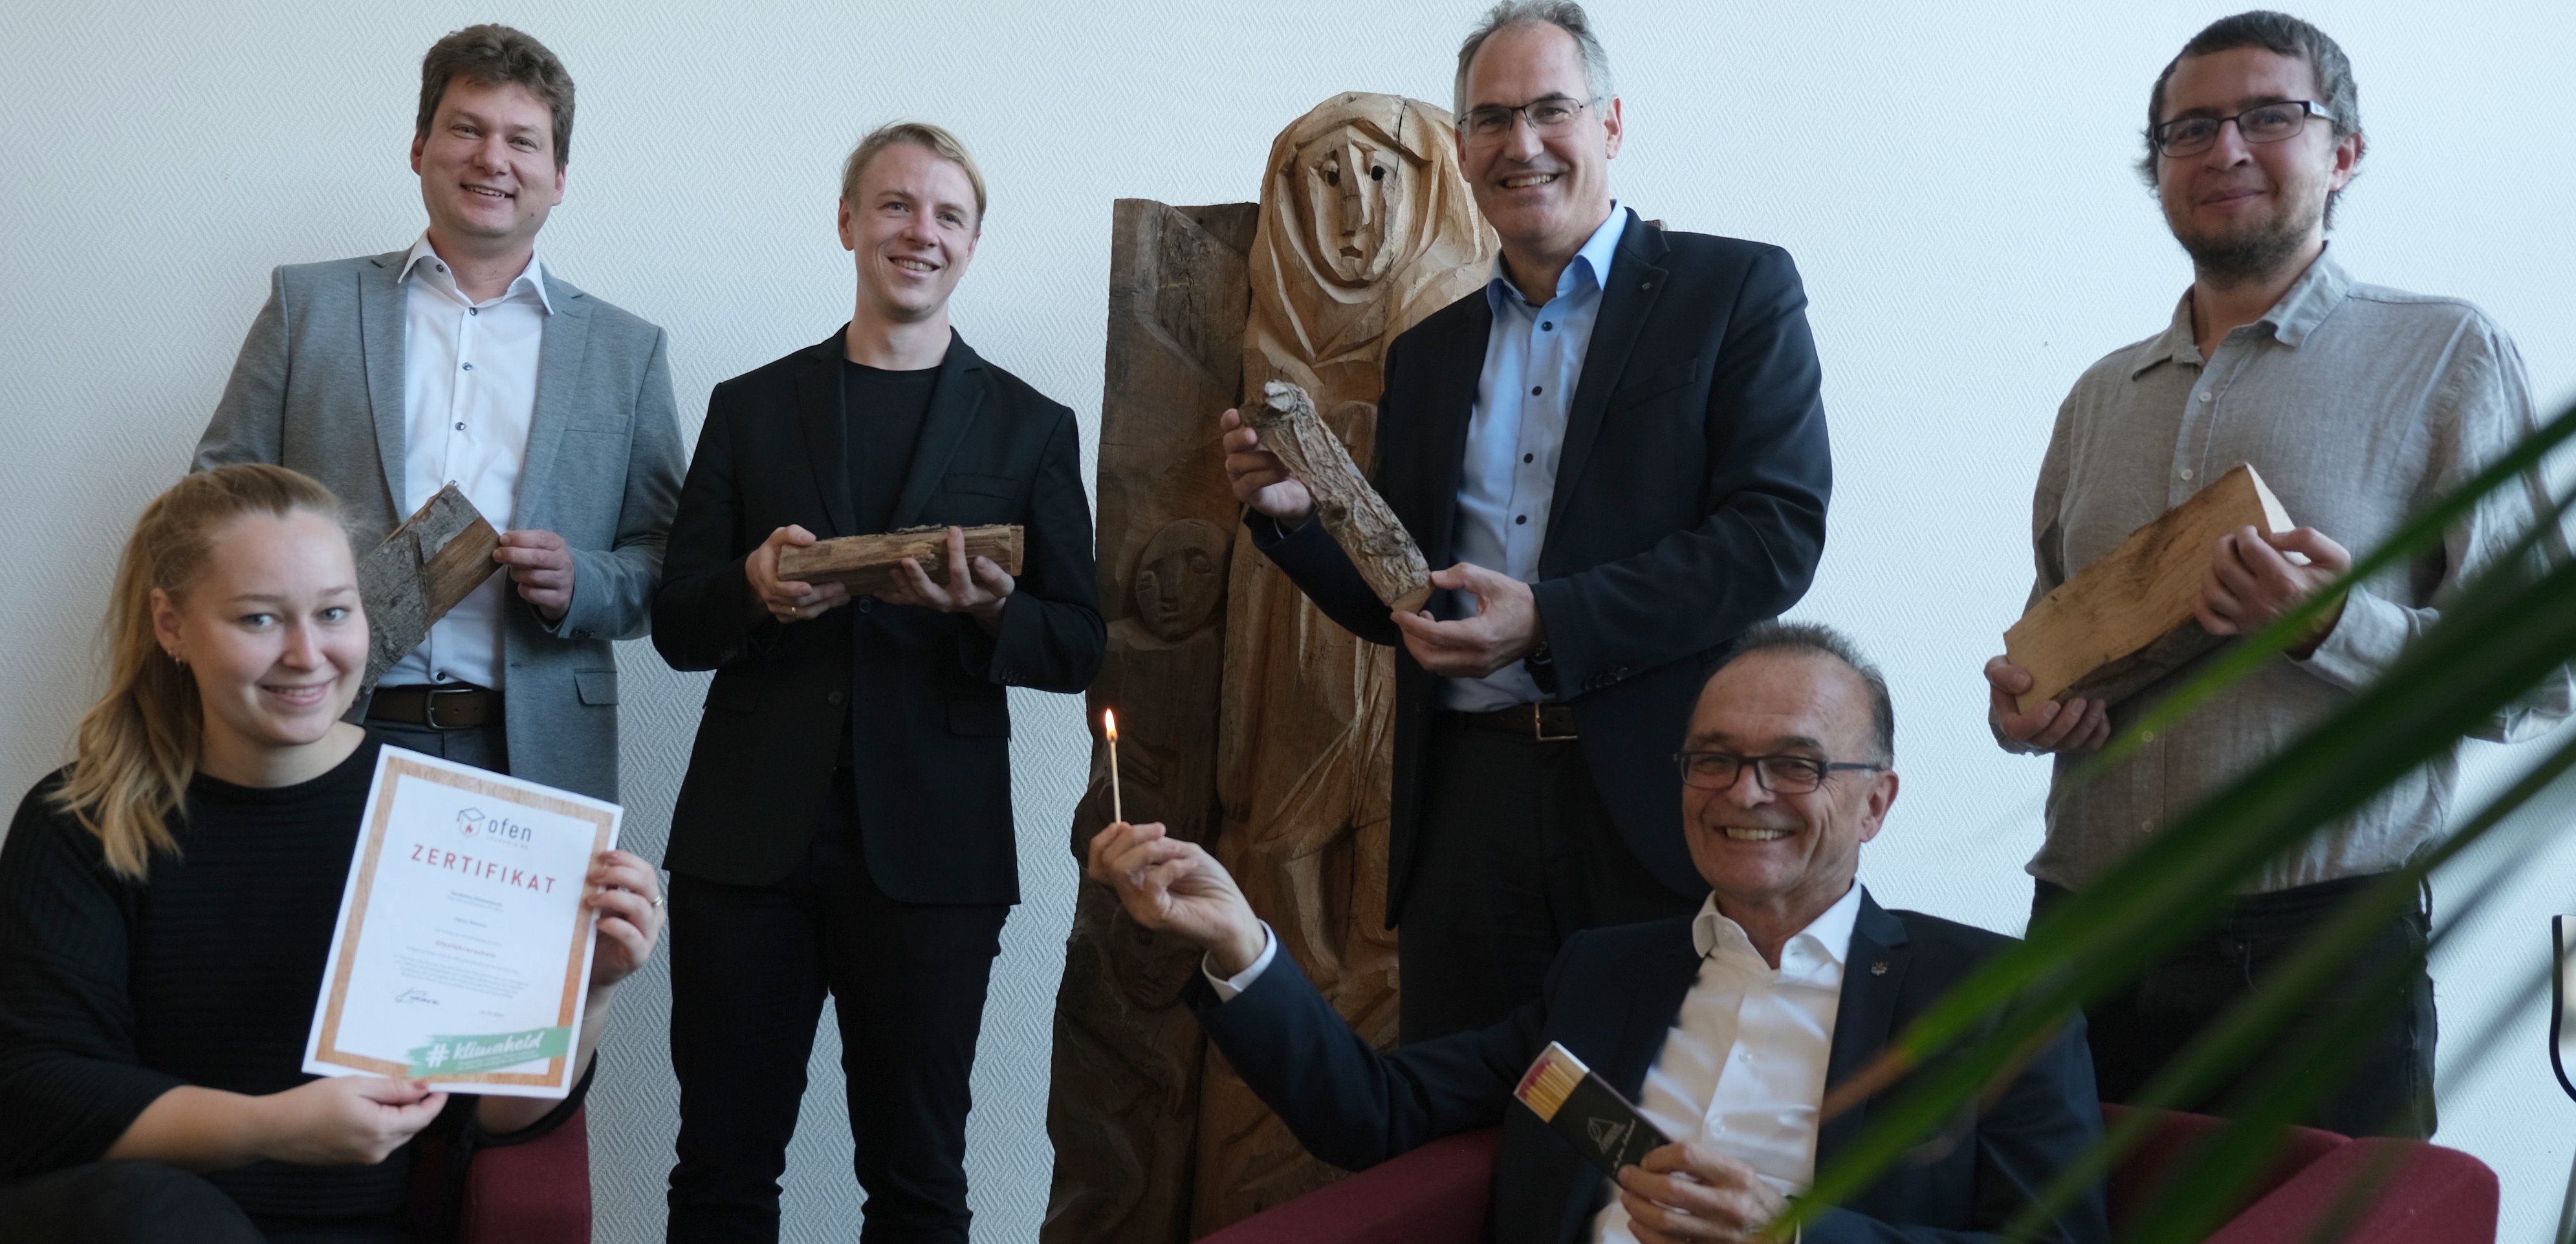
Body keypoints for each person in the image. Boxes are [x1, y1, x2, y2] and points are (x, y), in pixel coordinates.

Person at [1981, 11, 2570, 1137]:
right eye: (2189, 127)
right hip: (2083, 936)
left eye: (2269, 115)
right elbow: (2052, 644)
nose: (2227, 148)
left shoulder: (2447, 356)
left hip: (2315, 956)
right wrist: (2028, 708)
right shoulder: (2101, 396)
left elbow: (2538, 680)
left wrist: (2332, 624)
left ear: (2344, 152)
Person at [1219, 0, 1831, 1042]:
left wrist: (1548, 620)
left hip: (1655, 803)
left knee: (1663, 1131)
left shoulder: (1735, 290)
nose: (1523, 143)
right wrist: (1291, 519)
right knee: (1475, 1143)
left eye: (1552, 110)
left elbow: (1775, 537)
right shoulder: (1430, 351)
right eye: (1493, 119)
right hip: (1466, 811)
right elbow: (1410, 600)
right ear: (1462, 150)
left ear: (1611, 124)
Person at [1092, 623, 2105, 1242]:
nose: (1745, 792)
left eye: (1796, 763)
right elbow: (1377, 1111)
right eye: (1713, 757)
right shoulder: (1605, 969)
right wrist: (1236, 942)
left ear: (1875, 802)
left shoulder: (1993, 991)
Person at [0, 464, 664, 1243]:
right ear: (171, 625)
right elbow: (42, 1096)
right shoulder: (82, 819)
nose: (307, 655)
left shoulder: (435, 821)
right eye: (259, 620)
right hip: (106, 1219)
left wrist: (585, 991)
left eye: (334, 612)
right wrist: (272, 1128)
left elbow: (485, 1119)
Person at [650, 123, 1102, 1242]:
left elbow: (1081, 644)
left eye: (947, 214)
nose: (920, 232)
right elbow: (675, 622)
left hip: (936, 855)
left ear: (974, 241)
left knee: (917, 1178)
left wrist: (990, 607)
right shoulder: (750, 407)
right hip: (745, 843)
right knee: (719, 1166)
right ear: (848, 222)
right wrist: (754, 587)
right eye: (895, 206)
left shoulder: (1032, 425)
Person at [195, 24, 684, 801]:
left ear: (558, 177)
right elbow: (212, 503)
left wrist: (580, 581)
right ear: (420, 147)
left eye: (522, 141)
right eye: (467, 129)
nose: (493, 159)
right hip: (322, 727)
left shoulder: (628, 351)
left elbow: (665, 558)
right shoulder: (307, 305)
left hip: (536, 748)